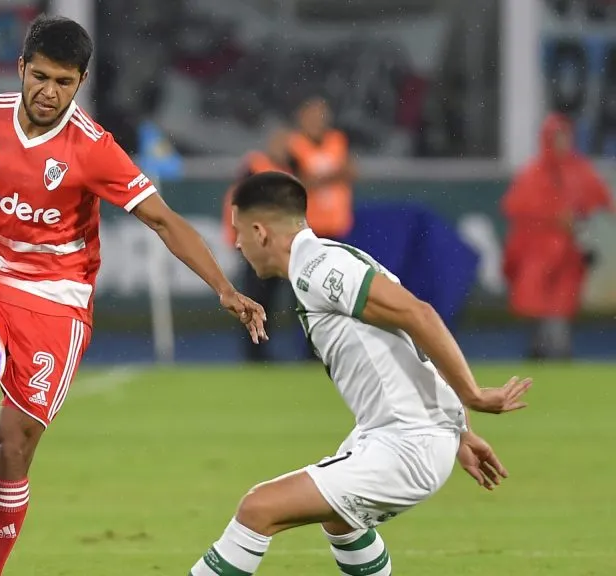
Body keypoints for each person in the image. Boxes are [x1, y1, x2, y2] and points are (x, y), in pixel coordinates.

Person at [0, 15, 267, 576]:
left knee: (12, 450)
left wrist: (224, 287)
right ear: (21, 68)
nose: (49, 93)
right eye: (40, 77)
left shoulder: (93, 149)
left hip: (58, 304)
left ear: (81, 82)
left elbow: (163, 220)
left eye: (64, 83)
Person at [188, 171, 532, 576]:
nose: (237, 244)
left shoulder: (319, 269)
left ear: (260, 231)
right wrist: (459, 428)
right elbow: (410, 338)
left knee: (258, 508)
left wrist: (471, 396)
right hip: (404, 432)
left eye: (238, 232)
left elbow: (418, 314)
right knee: (342, 519)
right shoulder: (326, 259)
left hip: (408, 443)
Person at [502, 112, 614, 360]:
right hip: (538, 251)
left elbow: (601, 198)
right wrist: (555, 218)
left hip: (567, 254)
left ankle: (558, 351)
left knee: (561, 305)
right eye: (558, 137)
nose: (563, 142)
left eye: (566, 136)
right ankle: (540, 350)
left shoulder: (578, 169)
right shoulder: (533, 173)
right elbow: (517, 208)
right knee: (535, 304)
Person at [223, 127, 297, 362]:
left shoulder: (291, 167)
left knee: (288, 298)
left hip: (281, 244)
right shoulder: (255, 165)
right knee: (257, 297)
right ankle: (254, 351)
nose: (282, 148)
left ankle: (286, 349)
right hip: (257, 245)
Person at [287, 97, 357, 241]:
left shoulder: (337, 140)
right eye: (312, 116)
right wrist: (333, 176)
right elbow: (296, 184)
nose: (317, 121)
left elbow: (352, 172)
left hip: (337, 224)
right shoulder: (294, 145)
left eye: (321, 116)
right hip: (307, 226)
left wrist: (321, 178)